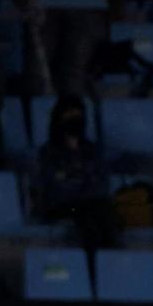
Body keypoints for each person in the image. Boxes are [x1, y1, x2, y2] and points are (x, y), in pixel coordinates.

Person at [30, 94, 119, 250]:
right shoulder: (48, 153)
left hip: (89, 204)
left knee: (103, 211)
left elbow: (100, 183)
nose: (75, 119)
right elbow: (53, 186)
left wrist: (77, 182)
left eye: (79, 115)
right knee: (87, 214)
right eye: (70, 115)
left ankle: (107, 260)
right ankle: (91, 263)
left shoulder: (91, 150)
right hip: (59, 206)